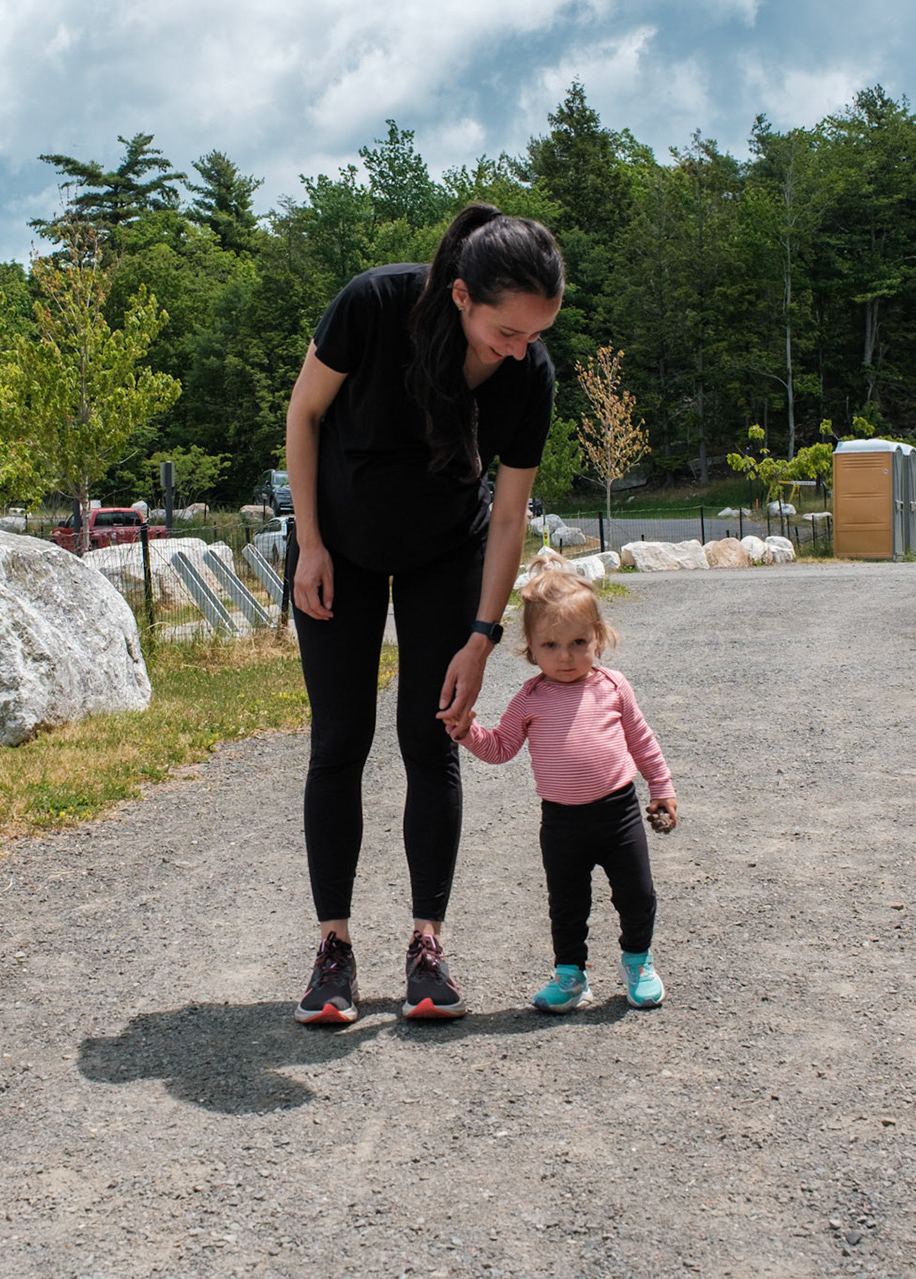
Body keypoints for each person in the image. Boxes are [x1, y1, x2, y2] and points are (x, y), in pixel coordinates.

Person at [284, 204, 564, 1025]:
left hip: (448, 554)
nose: (521, 350)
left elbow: (508, 517)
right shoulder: (371, 306)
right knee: (341, 738)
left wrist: (483, 635)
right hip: (338, 547)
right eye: (507, 332)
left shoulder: (529, 375)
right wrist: (308, 543)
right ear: (460, 295)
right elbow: (302, 415)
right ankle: (333, 946)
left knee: (429, 738)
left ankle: (426, 945)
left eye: (535, 334)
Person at [447, 571, 677, 1013]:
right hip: (561, 822)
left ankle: (638, 962)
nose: (566, 657)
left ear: (599, 638)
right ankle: (570, 974)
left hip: (619, 814)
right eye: (550, 646)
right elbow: (500, 748)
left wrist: (662, 788)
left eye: (578, 643)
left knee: (638, 893)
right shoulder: (530, 698)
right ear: (530, 648)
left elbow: (643, 741)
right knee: (567, 905)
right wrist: (467, 731)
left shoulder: (613, 687)